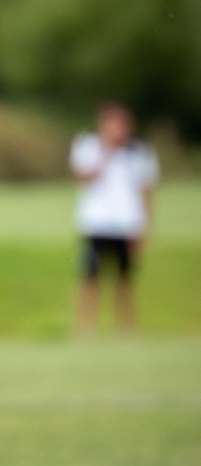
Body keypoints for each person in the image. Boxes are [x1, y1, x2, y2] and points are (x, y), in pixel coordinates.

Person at [70, 102, 159, 333]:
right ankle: (84, 327)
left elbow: (146, 191)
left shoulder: (139, 152)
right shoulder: (88, 147)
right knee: (89, 278)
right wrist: (107, 151)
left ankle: (126, 327)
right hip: (96, 224)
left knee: (125, 279)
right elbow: (84, 178)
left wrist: (144, 226)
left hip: (127, 224)